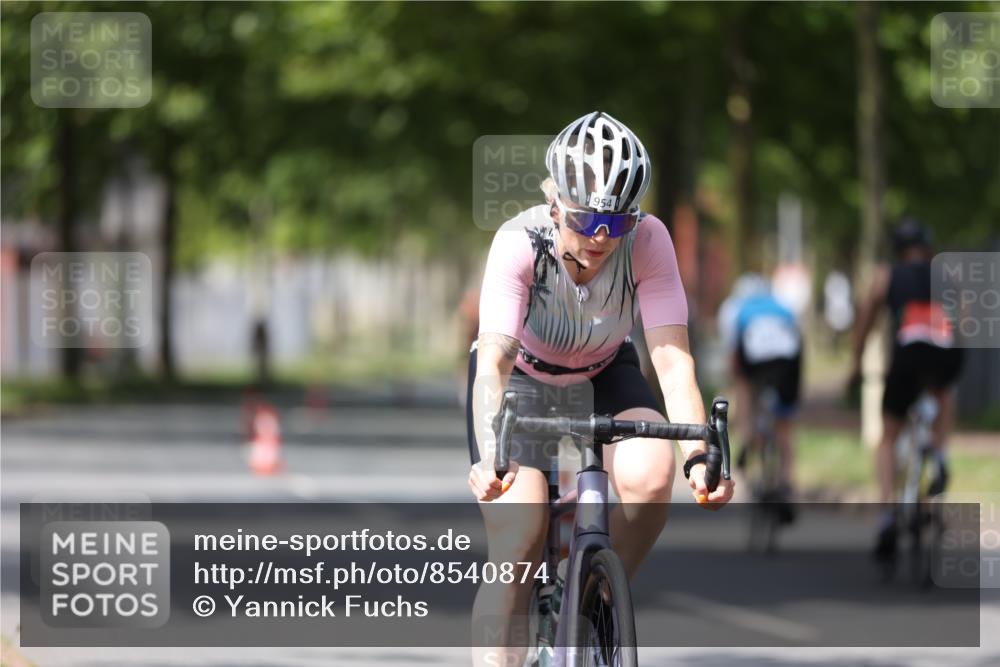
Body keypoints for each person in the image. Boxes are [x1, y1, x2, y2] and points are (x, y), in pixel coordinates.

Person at [465, 111, 735, 666]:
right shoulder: (520, 242)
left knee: (652, 470)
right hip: (522, 379)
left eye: (618, 223)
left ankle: (593, 601)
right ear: (556, 202)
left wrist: (698, 458)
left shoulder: (649, 239)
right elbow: (494, 359)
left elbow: (672, 359)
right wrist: (491, 450)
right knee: (519, 531)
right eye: (588, 220)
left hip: (606, 368)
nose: (602, 238)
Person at [849, 217, 963, 562]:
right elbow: (965, 320)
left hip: (908, 354)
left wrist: (855, 365)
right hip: (945, 352)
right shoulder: (948, 275)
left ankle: (887, 515)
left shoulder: (887, 276)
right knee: (945, 392)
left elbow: (866, 322)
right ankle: (940, 455)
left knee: (888, 435)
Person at [719, 273, 802, 522]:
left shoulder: (735, 308)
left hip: (754, 356)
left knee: (744, 387)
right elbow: (799, 340)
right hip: (788, 359)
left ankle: (746, 438)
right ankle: (786, 483)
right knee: (785, 425)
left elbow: (733, 353)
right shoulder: (783, 306)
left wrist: (734, 380)